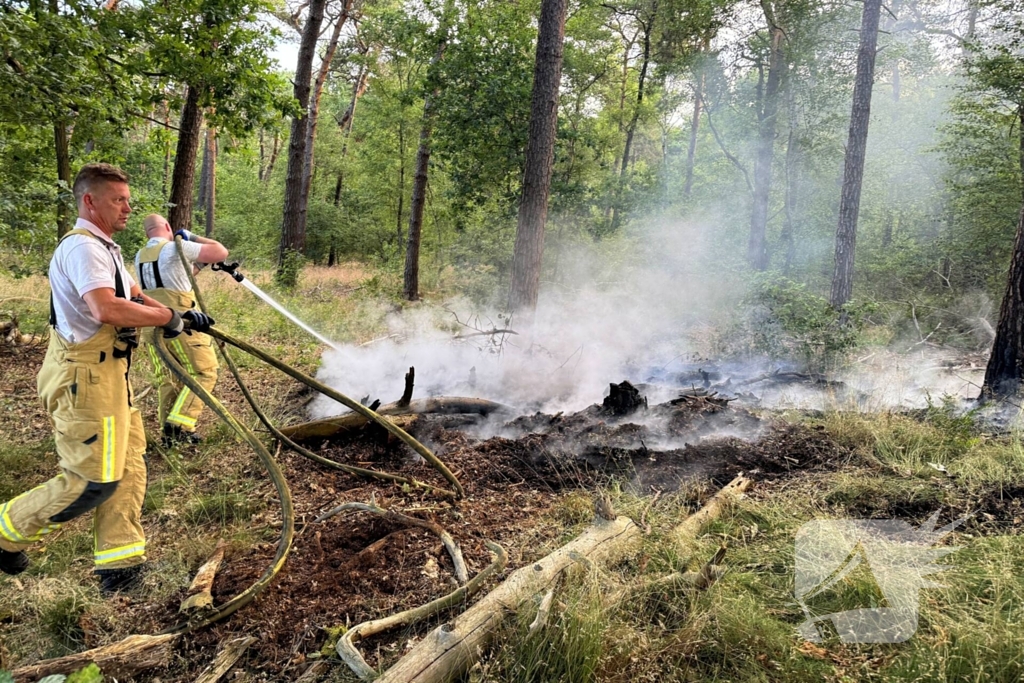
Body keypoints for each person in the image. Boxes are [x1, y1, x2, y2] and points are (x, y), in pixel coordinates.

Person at [0, 163, 213, 593]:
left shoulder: (108, 249)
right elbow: (106, 308)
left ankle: (119, 564)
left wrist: (179, 315)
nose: (127, 208)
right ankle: (6, 530)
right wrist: (169, 316)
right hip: (86, 379)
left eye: (129, 201)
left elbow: (133, 296)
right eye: (118, 200)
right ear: (89, 201)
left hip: (112, 375)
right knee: (93, 480)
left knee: (130, 462)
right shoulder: (84, 248)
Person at [134, 214, 227, 447]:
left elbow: (172, 279)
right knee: (204, 372)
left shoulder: (140, 256)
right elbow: (220, 251)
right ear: (167, 226)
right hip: (182, 324)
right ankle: (180, 427)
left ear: (147, 234)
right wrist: (190, 236)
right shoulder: (176, 247)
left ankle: (169, 433)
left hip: (151, 325)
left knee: (168, 379)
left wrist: (198, 266)